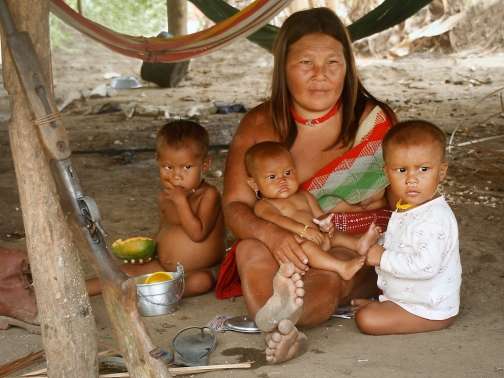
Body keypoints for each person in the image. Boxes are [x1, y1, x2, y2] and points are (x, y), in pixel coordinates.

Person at [219, 7, 398, 364]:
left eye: (332, 62)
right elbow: (235, 206)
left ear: (347, 67)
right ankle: (283, 323)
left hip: (347, 244)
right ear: (283, 67)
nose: (320, 76)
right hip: (283, 239)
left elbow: (406, 201)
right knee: (247, 251)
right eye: (305, 63)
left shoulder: (373, 123)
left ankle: (284, 320)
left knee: (331, 276)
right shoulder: (259, 124)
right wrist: (272, 236)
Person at [87, 120, 226, 297]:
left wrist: (181, 202)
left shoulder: (209, 195)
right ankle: (69, 292)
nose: (176, 176)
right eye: (168, 167)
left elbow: (197, 234)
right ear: (158, 162)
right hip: (162, 266)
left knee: (201, 282)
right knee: (126, 271)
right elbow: (162, 231)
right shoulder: (164, 198)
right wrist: (148, 252)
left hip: (198, 270)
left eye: (187, 167)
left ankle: (142, 294)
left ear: (205, 165)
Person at [351, 120, 462, 335]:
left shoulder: (434, 218)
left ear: (441, 171)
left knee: (366, 320)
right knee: (368, 309)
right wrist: (377, 243)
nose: (412, 179)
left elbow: (426, 266)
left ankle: (385, 309)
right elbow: (403, 245)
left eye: (423, 169)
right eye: (401, 170)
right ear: (387, 173)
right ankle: (387, 306)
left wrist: (382, 257)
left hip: (429, 308)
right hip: (410, 299)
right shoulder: (409, 206)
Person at [245, 141, 383, 280]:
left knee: (334, 234)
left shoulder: (304, 195)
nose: (282, 180)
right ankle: (341, 267)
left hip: (319, 236)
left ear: (295, 170)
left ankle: (357, 244)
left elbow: (319, 215)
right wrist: (303, 230)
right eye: (272, 177)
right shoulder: (263, 205)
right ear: (254, 183)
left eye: (288, 173)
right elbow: (278, 220)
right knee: (307, 248)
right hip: (300, 245)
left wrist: (325, 223)